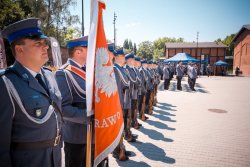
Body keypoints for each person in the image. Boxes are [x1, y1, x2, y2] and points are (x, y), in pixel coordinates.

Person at [0, 18, 62, 167]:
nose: (45, 47)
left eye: (45, 43)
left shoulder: (49, 75)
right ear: (19, 49)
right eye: (37, 44)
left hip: (55, 158)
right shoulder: (5, 83)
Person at [55, 36, 95, 167]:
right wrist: (90, 116)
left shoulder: (88, 71)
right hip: (76, 137)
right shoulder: (64, 73)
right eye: (88, 50)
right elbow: (63, 108)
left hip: (92, 134)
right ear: (78, 52)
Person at [112, 46, 132, 161]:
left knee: (121, 127)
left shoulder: (121, 68)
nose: (125, 57)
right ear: (117, 57)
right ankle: (116, 151)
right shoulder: (115, 69)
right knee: (117, 129)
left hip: (122, 102)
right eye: (123, 55)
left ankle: (121, 147)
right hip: (117, 102)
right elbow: (126, 83)